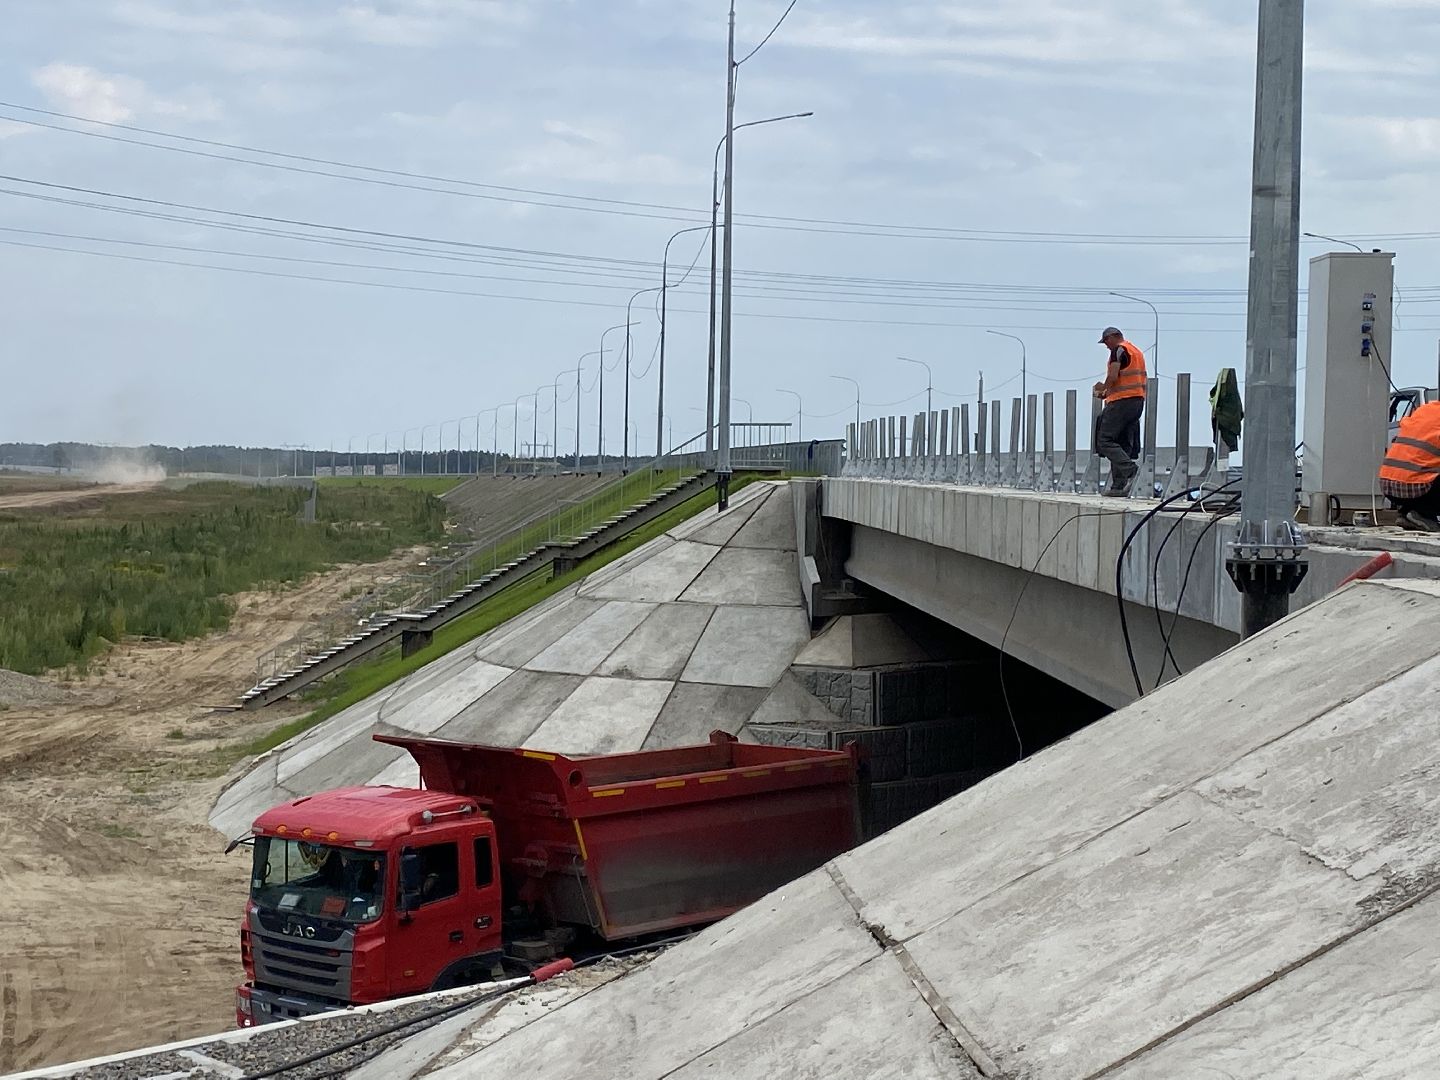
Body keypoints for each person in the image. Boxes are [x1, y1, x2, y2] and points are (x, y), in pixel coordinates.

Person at [1093, 326, 1148, 496]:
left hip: (1121, 402)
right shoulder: (1136, 352)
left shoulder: (1119, 349)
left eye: (1106, 342)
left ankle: (1131, 471)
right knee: (1122, 442)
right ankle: (1119, 486)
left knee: (1105, 440)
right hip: (1137, 401)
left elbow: (1114, 375)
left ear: (1113, 337)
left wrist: (1103, 389)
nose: (1107, 346)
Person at [1379, 399, 1440, 531]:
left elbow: (1404, 423)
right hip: (1417, 489)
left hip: (1388, 485)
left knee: (1426, 467)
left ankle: (1408, 513)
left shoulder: (1425, 409)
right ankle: (1422, 514)